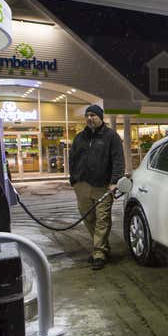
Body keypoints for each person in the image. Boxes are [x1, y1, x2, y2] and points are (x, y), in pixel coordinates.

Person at [69, 105, 125, 270]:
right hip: (82, 185)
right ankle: (101, 247)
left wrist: (115, 181)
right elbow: (72, 159)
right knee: (89, 218)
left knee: (102, 219)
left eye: (93, 115)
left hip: (103, 185)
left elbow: (118, 160)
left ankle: (99, 253)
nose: (89, 118)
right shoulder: (79, 138)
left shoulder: (111, 137)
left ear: (100, 117)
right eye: (87, 115)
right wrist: (73, 180)